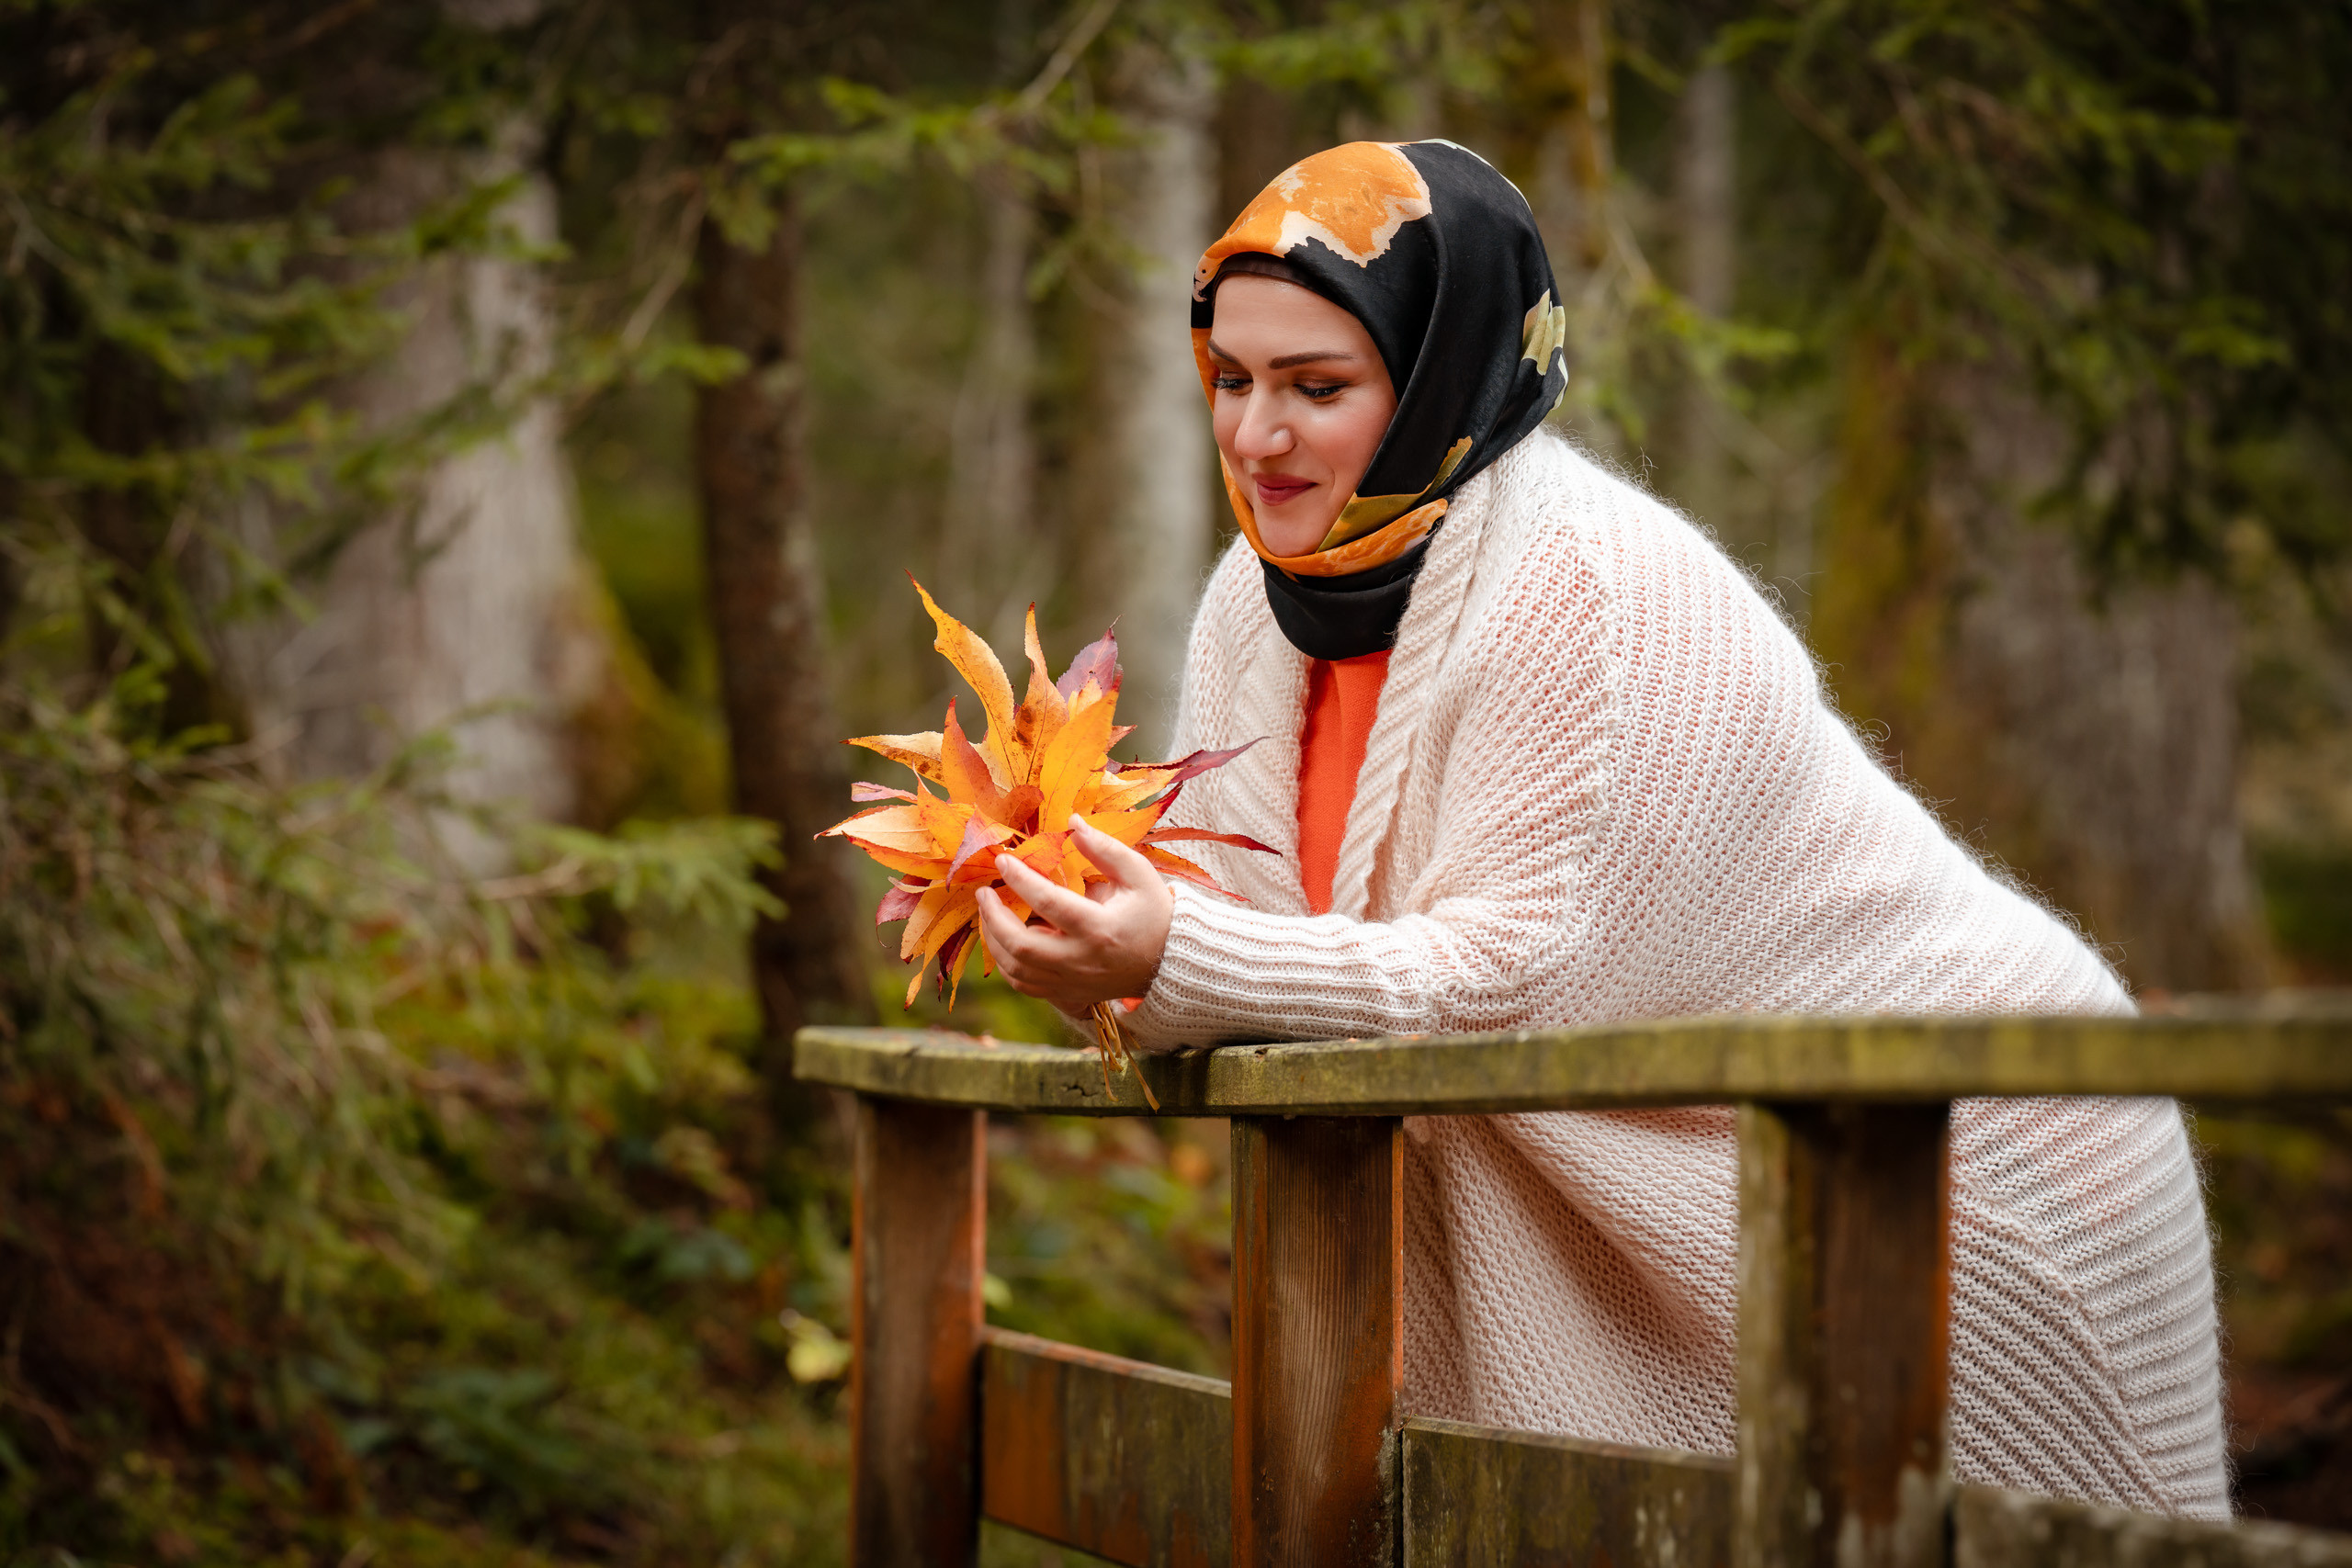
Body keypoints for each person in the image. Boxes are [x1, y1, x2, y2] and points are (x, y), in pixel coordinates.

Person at [972, 140, 2228, 1520]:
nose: (1257, 436)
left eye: (1316, 387)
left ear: (1444, 373)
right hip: (1702, 1159)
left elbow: (1521, 983)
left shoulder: (1596, 591)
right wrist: (1092, 931)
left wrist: (1178, 954)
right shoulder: (1250, 607)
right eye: (1233, 380)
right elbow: (1253, 963)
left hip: (1966, 1158)